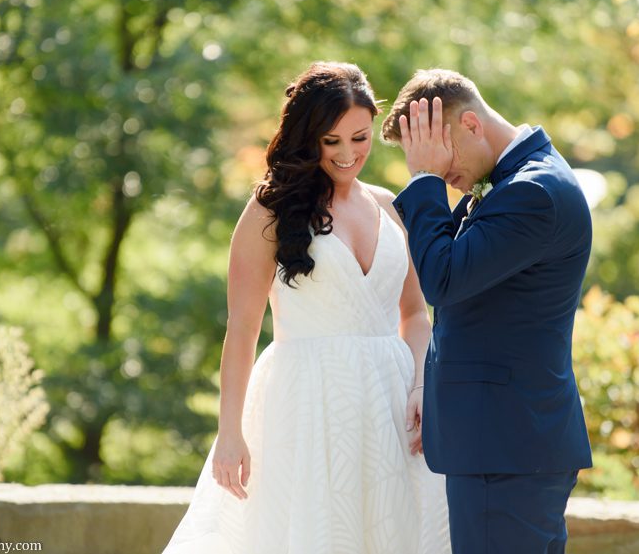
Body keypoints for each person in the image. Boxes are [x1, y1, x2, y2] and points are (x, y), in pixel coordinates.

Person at [163, 62, 450, 554]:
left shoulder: (389, 205)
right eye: (330, 141)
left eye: (359, 138)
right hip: (306, 404)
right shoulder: (268, 213)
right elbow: (243, 330)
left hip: (392, 404)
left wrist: (423, 385)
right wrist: (229, 433)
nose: (347, 154)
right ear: (307, 137)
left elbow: (416, 316)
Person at [380, 68, 593, 554]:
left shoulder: (531, 192)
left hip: (507, 446)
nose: (435, 169)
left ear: (471, 125)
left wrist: (426, 181)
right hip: (504, 441)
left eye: (435, 152)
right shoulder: (519, 179)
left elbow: (443, 280)